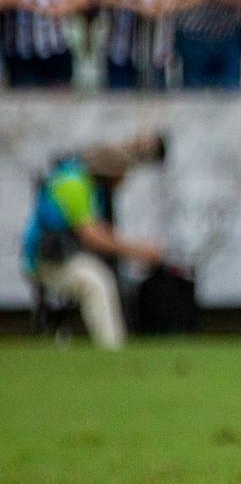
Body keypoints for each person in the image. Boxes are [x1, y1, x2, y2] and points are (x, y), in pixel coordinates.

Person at [21, 134, 168, 349]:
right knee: (95, 282)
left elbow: (98, 228)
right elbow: (91, 236)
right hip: (47, 261)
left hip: (63, 257)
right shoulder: (73, 184)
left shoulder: (85, 182)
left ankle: (113, 346)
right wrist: (140, 251)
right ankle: (111, 351)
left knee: (101, 277)